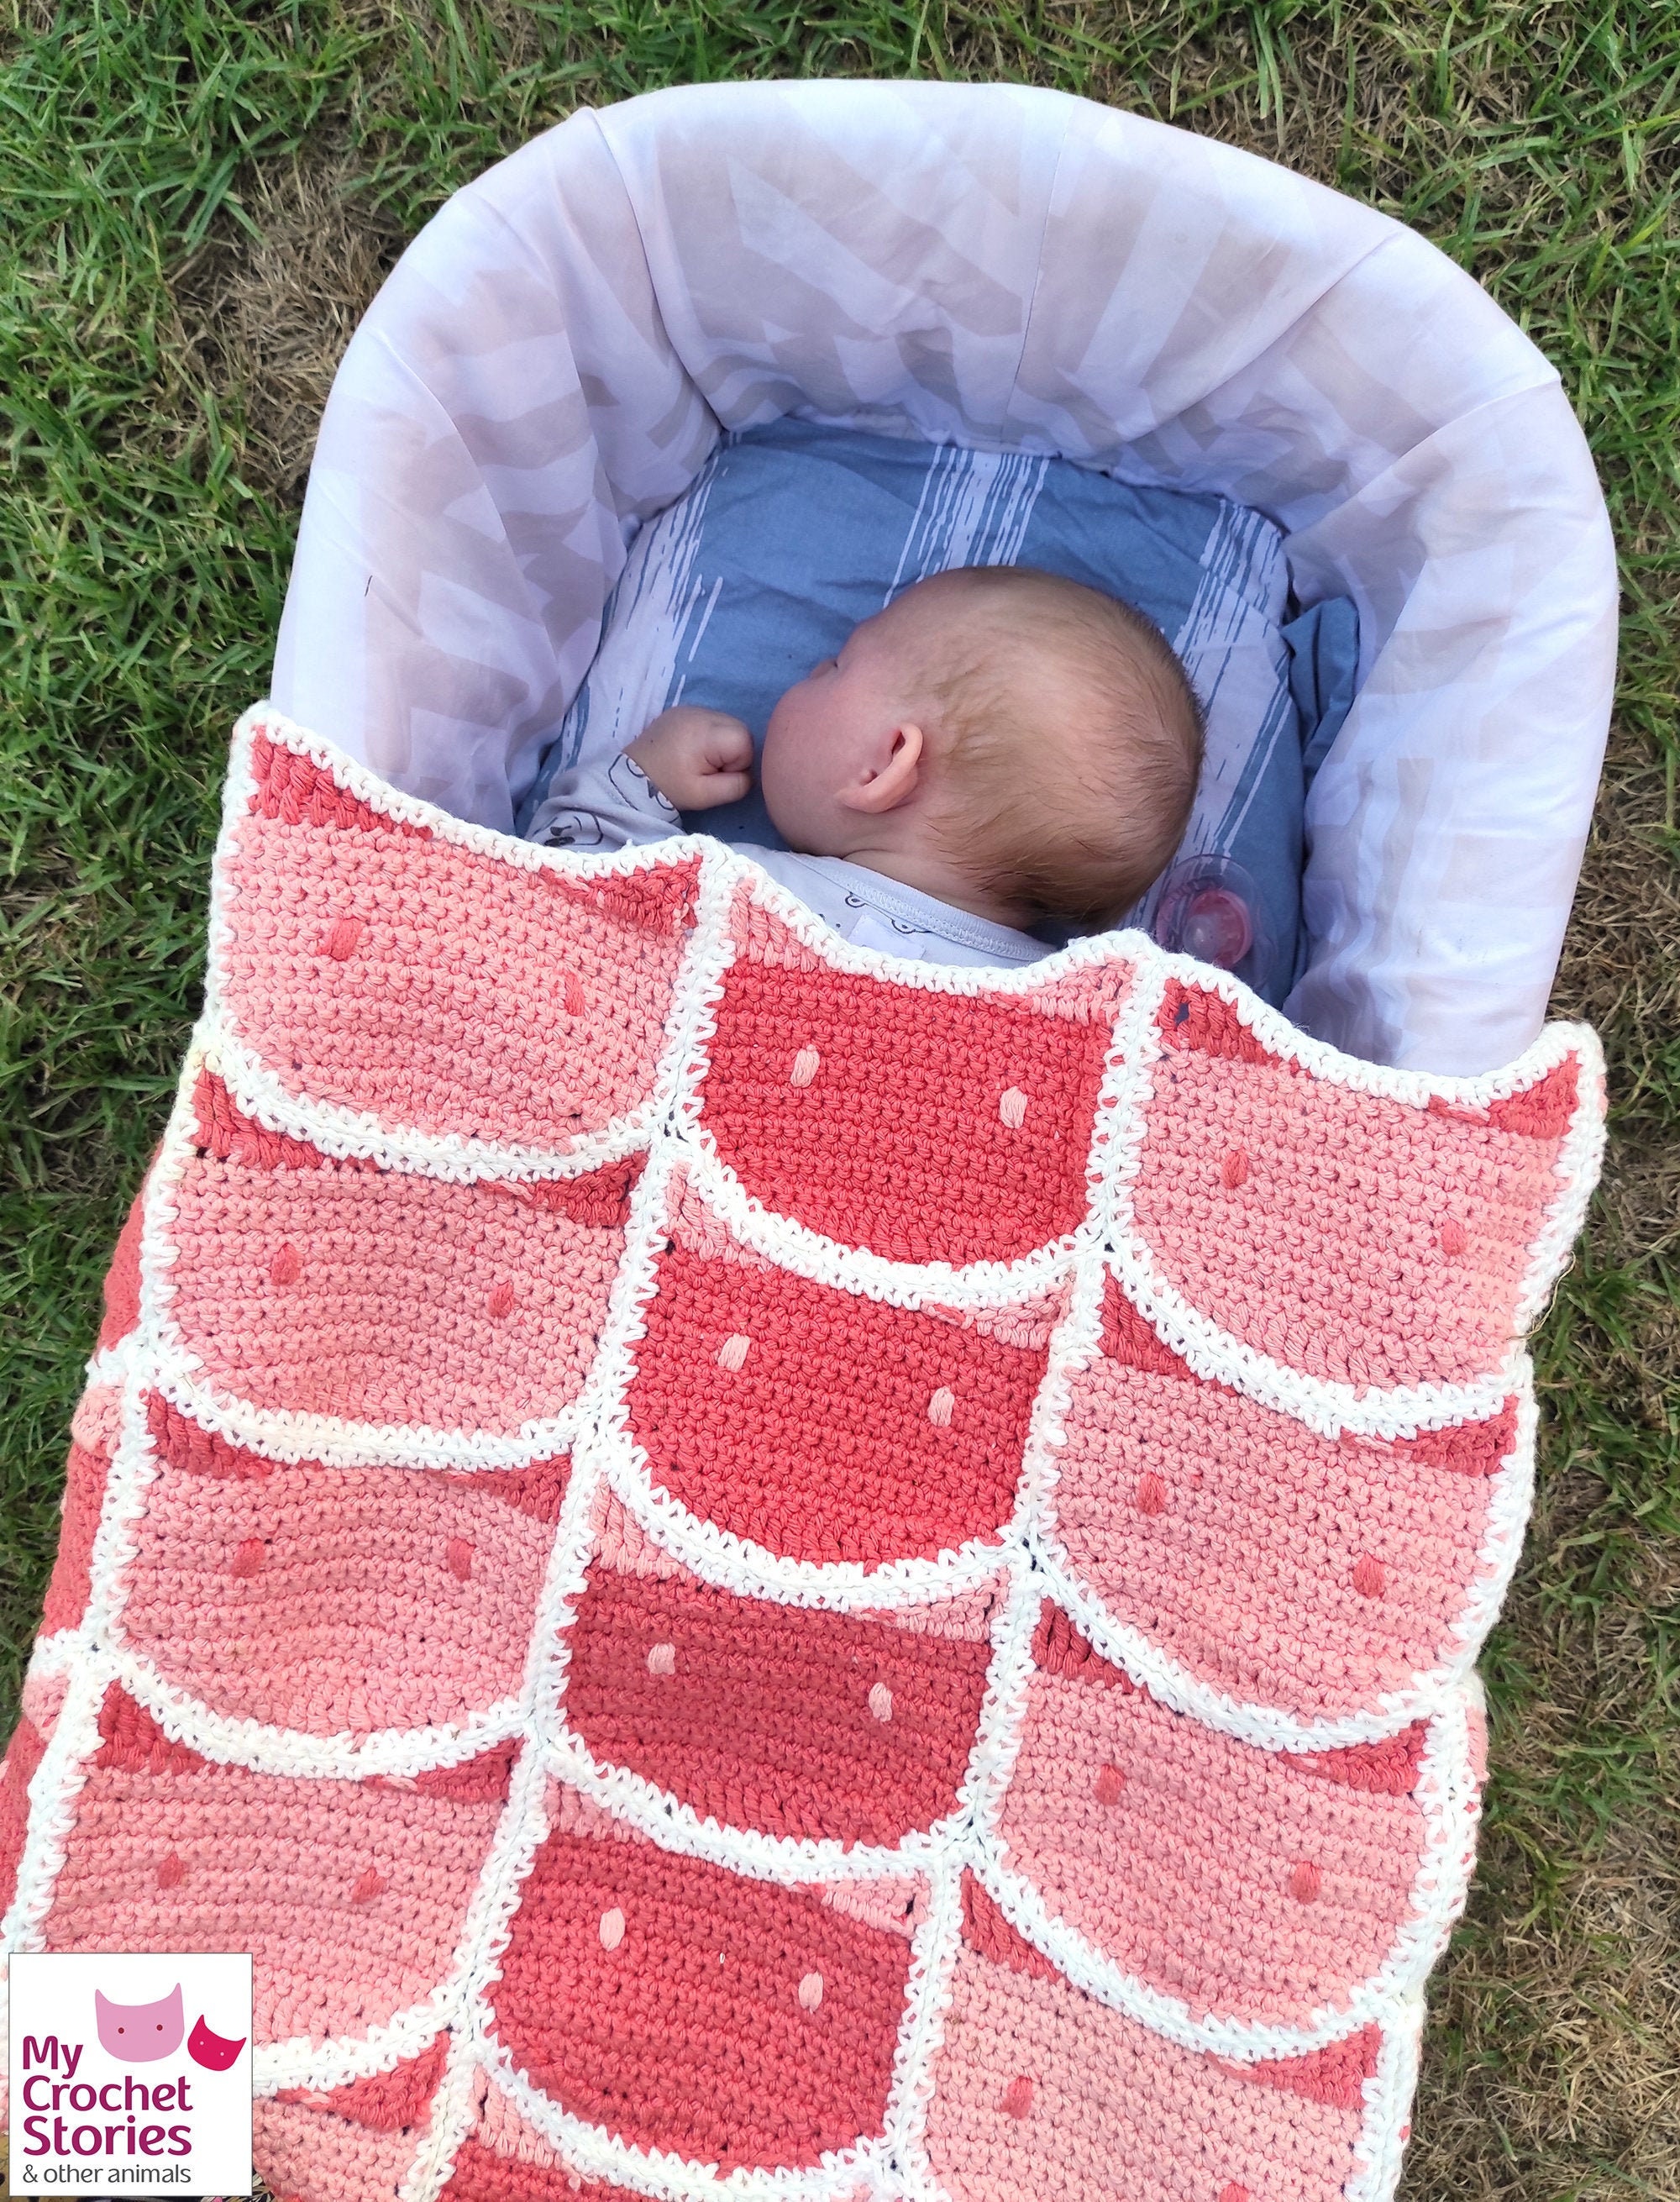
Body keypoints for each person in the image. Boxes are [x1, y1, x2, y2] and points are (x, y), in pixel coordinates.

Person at [529, 565, 1204, 969]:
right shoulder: (1073, 1012)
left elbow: (551, 898)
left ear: (884, 764)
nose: (809, 669)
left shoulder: (756, 895)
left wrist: (642, 779)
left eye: (836, 664)